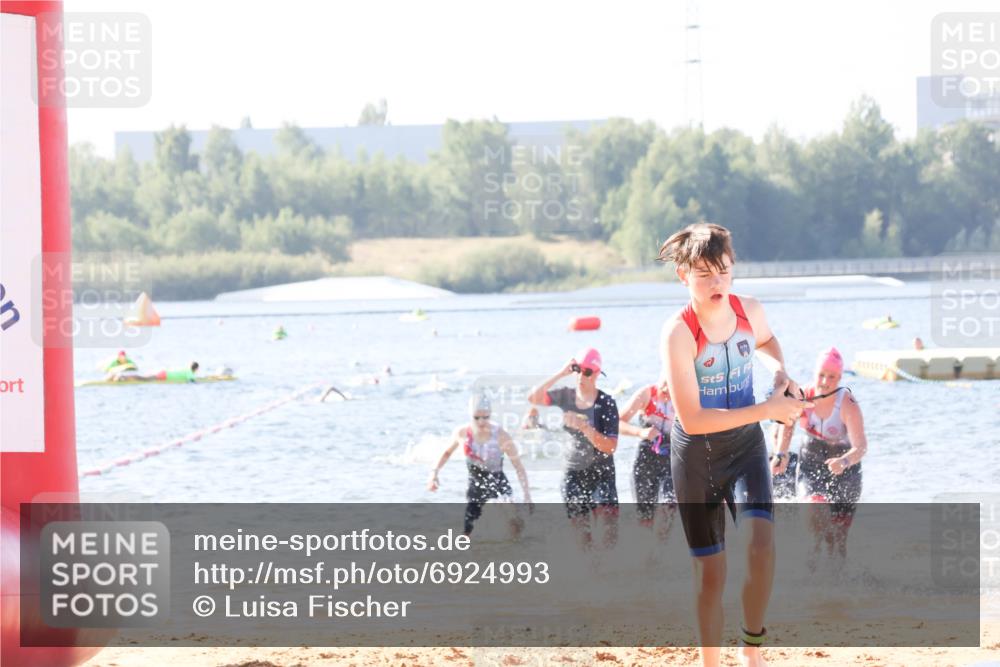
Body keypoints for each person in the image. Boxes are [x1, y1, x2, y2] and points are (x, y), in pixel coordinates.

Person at [658, 222, 809, 667]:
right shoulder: (678, 333)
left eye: (723, 271)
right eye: (704, 274)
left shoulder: (750, 311)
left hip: (745, 448)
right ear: (682, 276)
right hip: (695, 457)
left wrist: (778, 371)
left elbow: (766, 341)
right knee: (711, 575)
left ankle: (752, 649)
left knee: (762, 547)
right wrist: (768, 411)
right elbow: (693, 418)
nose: (716, 282)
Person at [771, 348, 867, 571]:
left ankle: (836, 584)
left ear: (840, 378)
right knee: (814, 513)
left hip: (846, 469)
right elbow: (787, 426)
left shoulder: (847, 404)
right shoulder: (803, 396)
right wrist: (781, 454)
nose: (824, 381)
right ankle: (810, 570)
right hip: (812, 459)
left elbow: (861, 447)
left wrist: (843, 462)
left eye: (831, 377)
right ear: (815, 373)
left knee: (837, 540)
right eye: (821, 374)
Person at [528, 348, 620, 550]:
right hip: (573, 472)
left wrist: (585, 428)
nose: (580, 375)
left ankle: (613, 573)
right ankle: (589, 573)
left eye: (587, 372)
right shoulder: (565, 396)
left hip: (602, 472)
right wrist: (561, 373)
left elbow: (611, 447)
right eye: (577, 369)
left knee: (608, 531)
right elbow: (533, 398)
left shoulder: (606, 403)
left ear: (596, 374)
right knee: (582, 535)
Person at [428, 394, 532, 538]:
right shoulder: (463, 433)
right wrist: (434, 474)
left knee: (514, 521)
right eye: (477, 418)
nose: (481, 422)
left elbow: (518, 466)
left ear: (490, 415)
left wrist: (527, 494)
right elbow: (446, 453)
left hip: (498, 481)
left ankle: (515, 550)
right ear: (470, 416)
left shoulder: (501, 435)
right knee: (467, 531)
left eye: (486, 417)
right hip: (475, 485)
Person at [618, 375, 676, 537]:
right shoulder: (646, 394)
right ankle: (645, 555)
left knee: (669, 506)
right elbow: (617, 422)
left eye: (671, 388)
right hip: (645, 460)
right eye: (664, 384)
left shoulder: (684, 399)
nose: (665, 391)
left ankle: (659, 551)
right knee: (645, 518)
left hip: (672, 460)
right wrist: (641, 432)